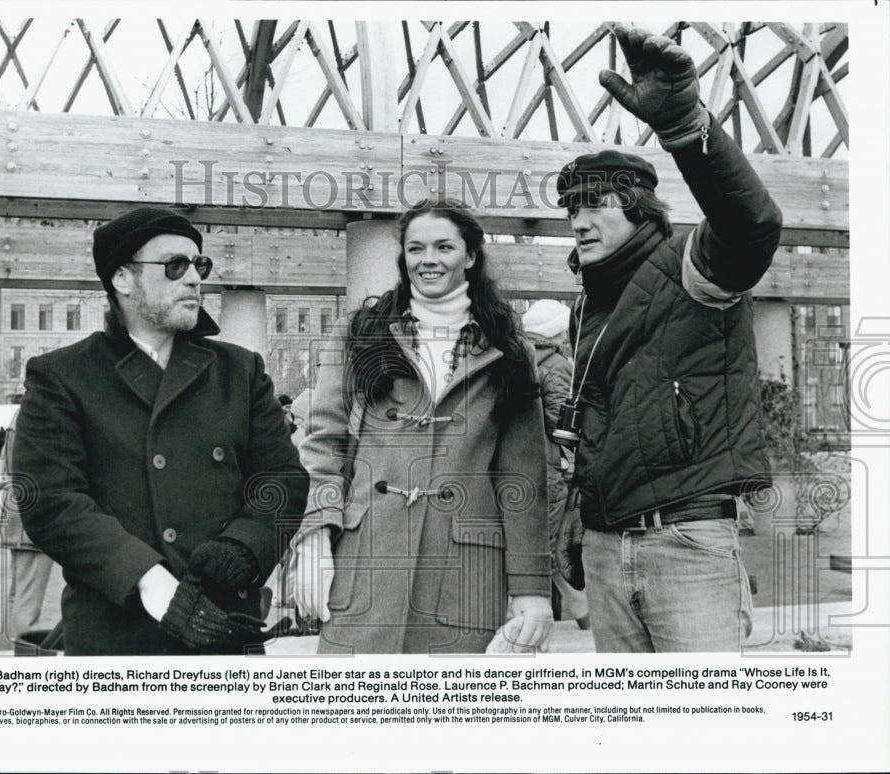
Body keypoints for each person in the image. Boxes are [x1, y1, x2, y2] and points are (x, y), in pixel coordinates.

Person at [550, 24, 782, 652]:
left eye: (596, 203)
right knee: (630, 745)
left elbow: (752, 224)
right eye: (571, 207)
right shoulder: (588, 307)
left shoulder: (690, 266)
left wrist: (684, 127)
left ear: (639, 207)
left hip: (685, 544)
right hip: (604, 546)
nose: (579, 219)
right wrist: (580, 516)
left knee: (702, 740)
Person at [13, 206, 309, 655]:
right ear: (122, 279)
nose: (194, 278)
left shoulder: (240, 370)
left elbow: (282, 480)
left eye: (199, 265)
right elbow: (51, 502)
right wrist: (149, 581)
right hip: (116, 634)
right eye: (175, 265)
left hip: (223, 624)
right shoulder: (63, 375)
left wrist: (244, 548)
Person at [290, 199, 552, 654]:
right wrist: (313, 536)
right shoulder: (359, 334)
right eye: (416, 249)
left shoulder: (509, 351)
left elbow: (523, 478)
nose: (428, 260)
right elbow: (324, 446)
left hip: (467, 571)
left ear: (470, 256)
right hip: (366, 558)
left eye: (443, 246)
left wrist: (532, 590)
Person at [521, 300, 590, 630]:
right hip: (550, 466)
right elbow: (560, 423)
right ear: (558, 332)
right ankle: (585, 615)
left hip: (520, 464)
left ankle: (584, 612)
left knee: (535, 541)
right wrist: (571, 459)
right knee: (553, 543)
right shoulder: (559, 365)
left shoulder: (518, 359)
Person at [0, 409, 56, 648]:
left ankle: (5, 655)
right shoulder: (37, 416)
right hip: (34, 516)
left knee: (17, 596)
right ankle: (24, 661)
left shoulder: (17, 417)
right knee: (28, 605)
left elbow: (7, 465)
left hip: (16, 512)